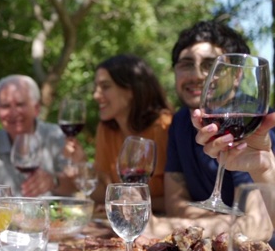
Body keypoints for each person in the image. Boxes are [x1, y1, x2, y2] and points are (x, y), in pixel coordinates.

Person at [144, 21, 275, 238]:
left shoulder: (253, 126)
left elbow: (257, 227)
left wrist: (164, 228)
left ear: (237, 76)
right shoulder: (180, 122)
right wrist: (227, 222)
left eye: (210, 65)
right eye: (186, 64)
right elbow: (176, 205)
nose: (196, 75)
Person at [0, 74, 76, 196]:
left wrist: (54, 181)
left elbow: (78, 185)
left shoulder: (58, 137)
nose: (13, 112)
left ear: (36, 108)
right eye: (5, 106)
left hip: (54, 214)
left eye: (20, 104)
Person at [91, 54, 172, 214]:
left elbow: (180, 201)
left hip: (163, 227)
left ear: (131, 90)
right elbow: (102, 193)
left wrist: (130, 204)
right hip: (126, 226)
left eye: (105, 86)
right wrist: (77, 173)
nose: (96, 95)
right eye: (96, 87)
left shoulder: (165, 127)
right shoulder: (106, 130)